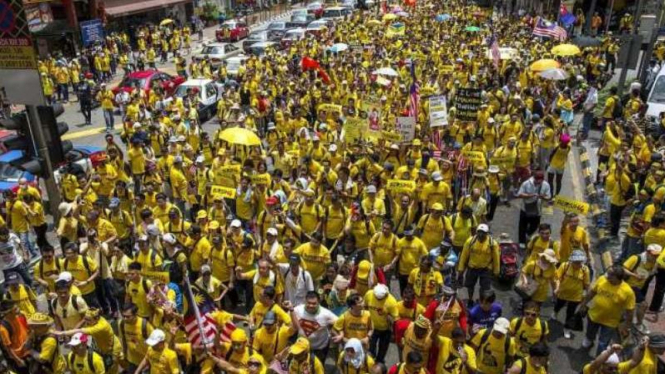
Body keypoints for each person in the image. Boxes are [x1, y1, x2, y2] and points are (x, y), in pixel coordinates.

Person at [579, 265, 635, 355]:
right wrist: (583, 304)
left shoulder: (628, 292)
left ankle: (598, 360)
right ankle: (589, 342)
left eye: (610, 276)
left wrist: (626, 325)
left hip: (610, 322)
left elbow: (630, 310)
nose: (607, 277)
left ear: (618, 278)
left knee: (603, 343)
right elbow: (592, 292)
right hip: (594, 316)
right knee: (590, 333)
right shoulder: (602, 279)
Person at [553, 250, 591, 339]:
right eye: (576, 262)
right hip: (562, 293)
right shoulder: (564, 266)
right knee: (559, 305)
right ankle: (555, 312)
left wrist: (585, 296)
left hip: (576, 296)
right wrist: (557, 288)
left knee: (570, 313)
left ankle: (567, 328)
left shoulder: (585, 270)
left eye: (580, 262)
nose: (578, 264)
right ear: (572, 261)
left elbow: (587, 284)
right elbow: (557, 278)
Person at [292, 291, 338, 364]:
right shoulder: (297, 310)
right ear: (305, 301)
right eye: (309, 303)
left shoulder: (326, 314)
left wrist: (340, 334)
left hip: (319, 349)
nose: (311, 305)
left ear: (318, 302)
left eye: (314, 303)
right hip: (302, 347)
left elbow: (339, 323)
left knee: (318, 368)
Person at [457, 224, 500, 303]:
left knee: (485, 288)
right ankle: (470, 300)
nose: (481, 234)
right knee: (469, 286)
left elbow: (496, 258)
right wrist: (461, 269)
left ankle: (481, 301)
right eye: (479, 232)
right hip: (472, 268)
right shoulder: (470, 241)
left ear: (487, 233)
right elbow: (464, 256)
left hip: (485, 269)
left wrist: (496, 271)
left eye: (483, 233)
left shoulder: (492, 243)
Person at [517, 171, 551, 245]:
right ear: (534, 178)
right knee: (523, 225)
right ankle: (522, 241)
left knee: (535, 225)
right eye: (537, 180)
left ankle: (527, 234)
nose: (538, 182)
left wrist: (542, 197)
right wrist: (530, 195)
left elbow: (548, 197)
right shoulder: (526, 183)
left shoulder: (546, 185)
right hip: (525, 208)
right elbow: (519, 194)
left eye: (540, 181)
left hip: (537, 210)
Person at [0, 300, 29, 374]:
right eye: (15, 309)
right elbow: (8, 348)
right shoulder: (3, 328)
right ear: (9, 312)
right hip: (19, 357)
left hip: (27, 352)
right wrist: (18, 361)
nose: (18, 309)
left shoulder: (17, 317)